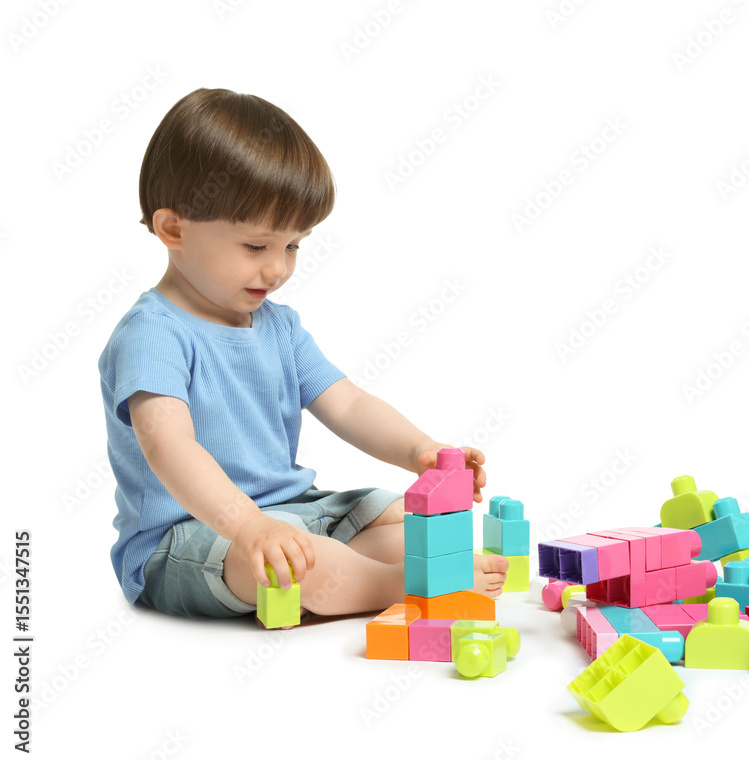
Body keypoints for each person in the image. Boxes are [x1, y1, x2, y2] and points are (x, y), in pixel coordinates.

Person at [98, 87, 507, 623]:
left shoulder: (279, 327)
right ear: (173, 228)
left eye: (292, 246)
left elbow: (349, 404)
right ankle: (397, 583)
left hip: (294, 511)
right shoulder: (153, 333)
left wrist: (419, 450)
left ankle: (366, 569)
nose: (278, 270)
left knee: (405, 514)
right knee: (283, 565)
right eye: (256, 247)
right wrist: (246, 525)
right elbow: (169, 447)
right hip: (190, 538)